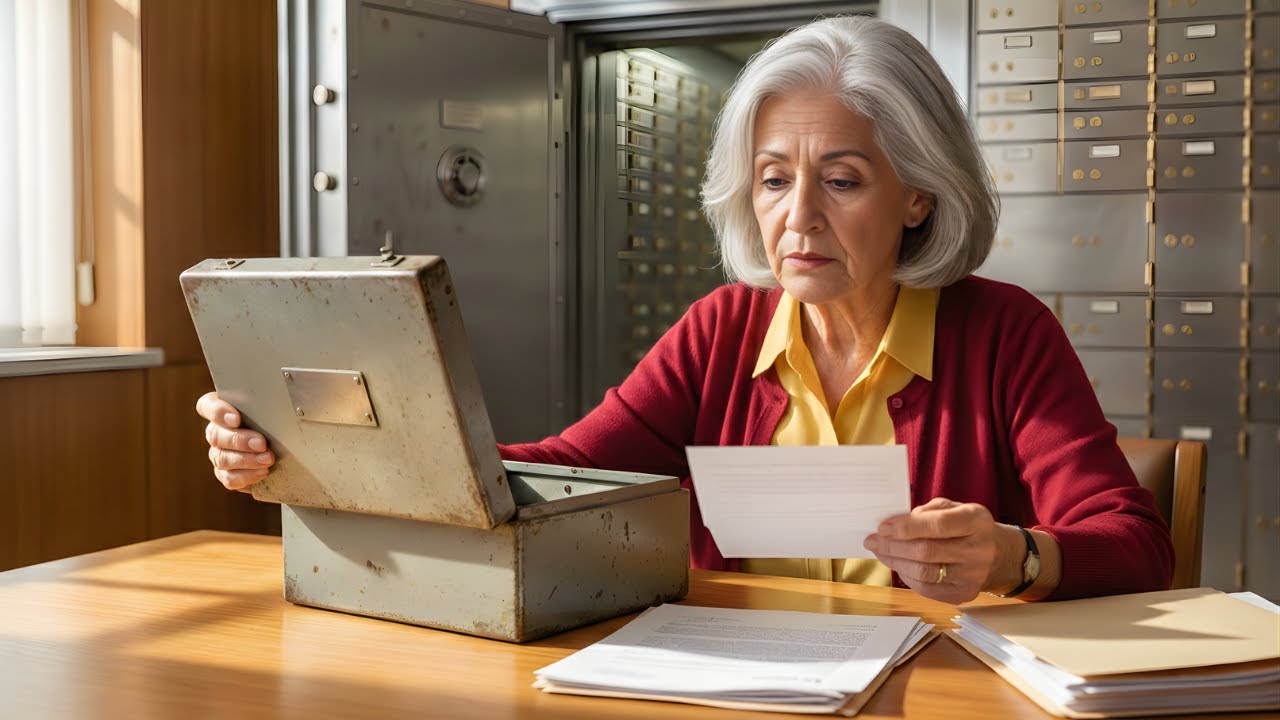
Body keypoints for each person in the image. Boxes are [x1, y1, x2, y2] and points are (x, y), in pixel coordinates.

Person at [197, 16, 1173, 603]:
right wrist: (304, 448)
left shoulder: (1001, 334)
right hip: (730, 688)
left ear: (916, 194)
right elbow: (561, 471)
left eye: (839, 180)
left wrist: (1013, 550)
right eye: (771, 180)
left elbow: (1133, 542)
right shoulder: (720, 331)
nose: (796, 218)